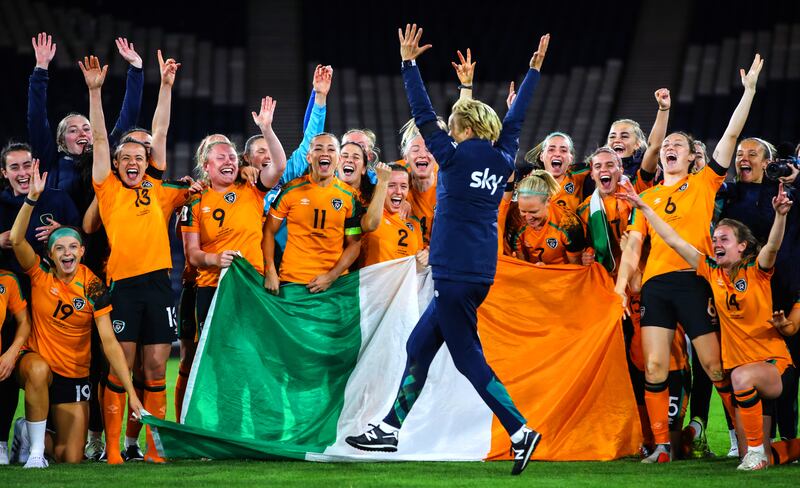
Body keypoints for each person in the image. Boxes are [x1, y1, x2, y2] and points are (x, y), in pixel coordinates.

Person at [346, 25, 549, 476]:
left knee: (468, 359)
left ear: (466, 128)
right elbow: (516, 120)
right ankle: (389, 429)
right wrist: (533, 72)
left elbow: (421, 113)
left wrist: (408, 64)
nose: (447, 128)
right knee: (418, 345)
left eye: (453, 124)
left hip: (453, 273)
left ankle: (519, 430)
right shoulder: (503, 157)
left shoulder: (453, 158)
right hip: (476, 272)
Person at [614, 54, 764, 463]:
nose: (669, 149)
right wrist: (622, 285)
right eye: (666, 146)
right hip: (657, 286)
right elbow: (633, 245)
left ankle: (746, 442)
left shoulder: (703, 183)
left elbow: (731, 135)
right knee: (655, 367)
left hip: (696, 280)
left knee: (715, 368)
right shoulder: (646, 196)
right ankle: (662, 446)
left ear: (691, 156)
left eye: (677, 145)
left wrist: (748, 92)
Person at [617, 181, 795, 471]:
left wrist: (780, 215)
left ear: (742, 246)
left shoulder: (757, 271)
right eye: (714, 239)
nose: (716, 244)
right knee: (763, 450)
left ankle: (754, 453)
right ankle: (778, 449)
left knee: (740, 381)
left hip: (772, 367)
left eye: (724, 239)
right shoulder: (711, 273)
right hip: (745, 381)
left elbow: (772, 246)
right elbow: (674, 240)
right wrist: (645, 208)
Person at [82, 51, 186, 464]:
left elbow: (160, 130)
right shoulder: (107, 189)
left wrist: (166, 86)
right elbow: (101, 139)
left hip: (159, 285)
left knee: (156, 368)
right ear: (116, 164)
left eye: (138, 158)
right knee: (119, 369)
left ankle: (153, 449)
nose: (132, 163)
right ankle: (112, 450)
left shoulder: (156, 186)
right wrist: (95, 93)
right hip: (122, 285)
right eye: (125, 158)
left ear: (147, 163)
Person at [9, 161, 142, 468]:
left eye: (73, 247)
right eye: (59, 249)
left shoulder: (93, 286)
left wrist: (132, 393)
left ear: (82, 252)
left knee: (71, 457)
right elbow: (16, 240)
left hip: (73, 374)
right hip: (37, 364)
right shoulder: (40, 274)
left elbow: (110, 343)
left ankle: (27, 432)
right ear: (50, 254)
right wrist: (31, 199)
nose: (67, 253)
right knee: (38, 369)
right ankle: (35, 454)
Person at [182, 97, 286, 335]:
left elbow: (279, 166)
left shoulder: (252, 187)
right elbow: (192, 254)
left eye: (232, 157)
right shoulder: (195, 200)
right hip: (212, 286)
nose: (229, 161)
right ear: (206, 165)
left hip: (251, 282)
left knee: (252, 349)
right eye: (221, 157)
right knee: (215, 352)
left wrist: (266, 129)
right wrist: (216, 259)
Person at [28, 33, 143, 211]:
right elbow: (36, 118)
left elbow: (129, 115)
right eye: (73, 130)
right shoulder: (50, 160)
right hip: (60, 228)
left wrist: (136, 69)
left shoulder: (107, 153)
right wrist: (40, 70)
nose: (82, 133)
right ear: (61, 141)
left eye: (87, 129)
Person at [263, 133, 364, 294]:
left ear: (338, 159)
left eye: (331, 149)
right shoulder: (290, 190)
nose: (325, 153)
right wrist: (270, 270)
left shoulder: (350, 196)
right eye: (318, 149)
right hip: (292, 281)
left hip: (335, 285)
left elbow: (354, 243)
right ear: (309, 157)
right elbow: (268, 231)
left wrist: (331, 276)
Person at [503, 170, 585, 265]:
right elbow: (522, 263)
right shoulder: (515, 220)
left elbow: (576, 268)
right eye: (523, 211)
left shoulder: (569, 225)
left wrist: (546, 270)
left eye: (534, 212)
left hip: (561, 272)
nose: (528, 218)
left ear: (548, 201)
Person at [359, 163, 428, 270]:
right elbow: (371, 224)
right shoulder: (368, 213)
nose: (398, 192)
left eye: (403, 186)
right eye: (391, 185)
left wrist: (425, 256)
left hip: (404, 281)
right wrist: (382, 181)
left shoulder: (414, 223)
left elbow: (416, 266)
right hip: (374, 280)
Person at [0, 268, 30, 466]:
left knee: (6, 374)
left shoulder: (7, 279)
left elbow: (24, 321)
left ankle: (1, 441)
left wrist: (11, 353)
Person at [523, 132, 587, 212]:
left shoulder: (579, 176)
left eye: (563, 150)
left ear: (571, 158)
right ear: (541, 156)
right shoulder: (530, 186)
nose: (557, 154)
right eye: (551, 150)